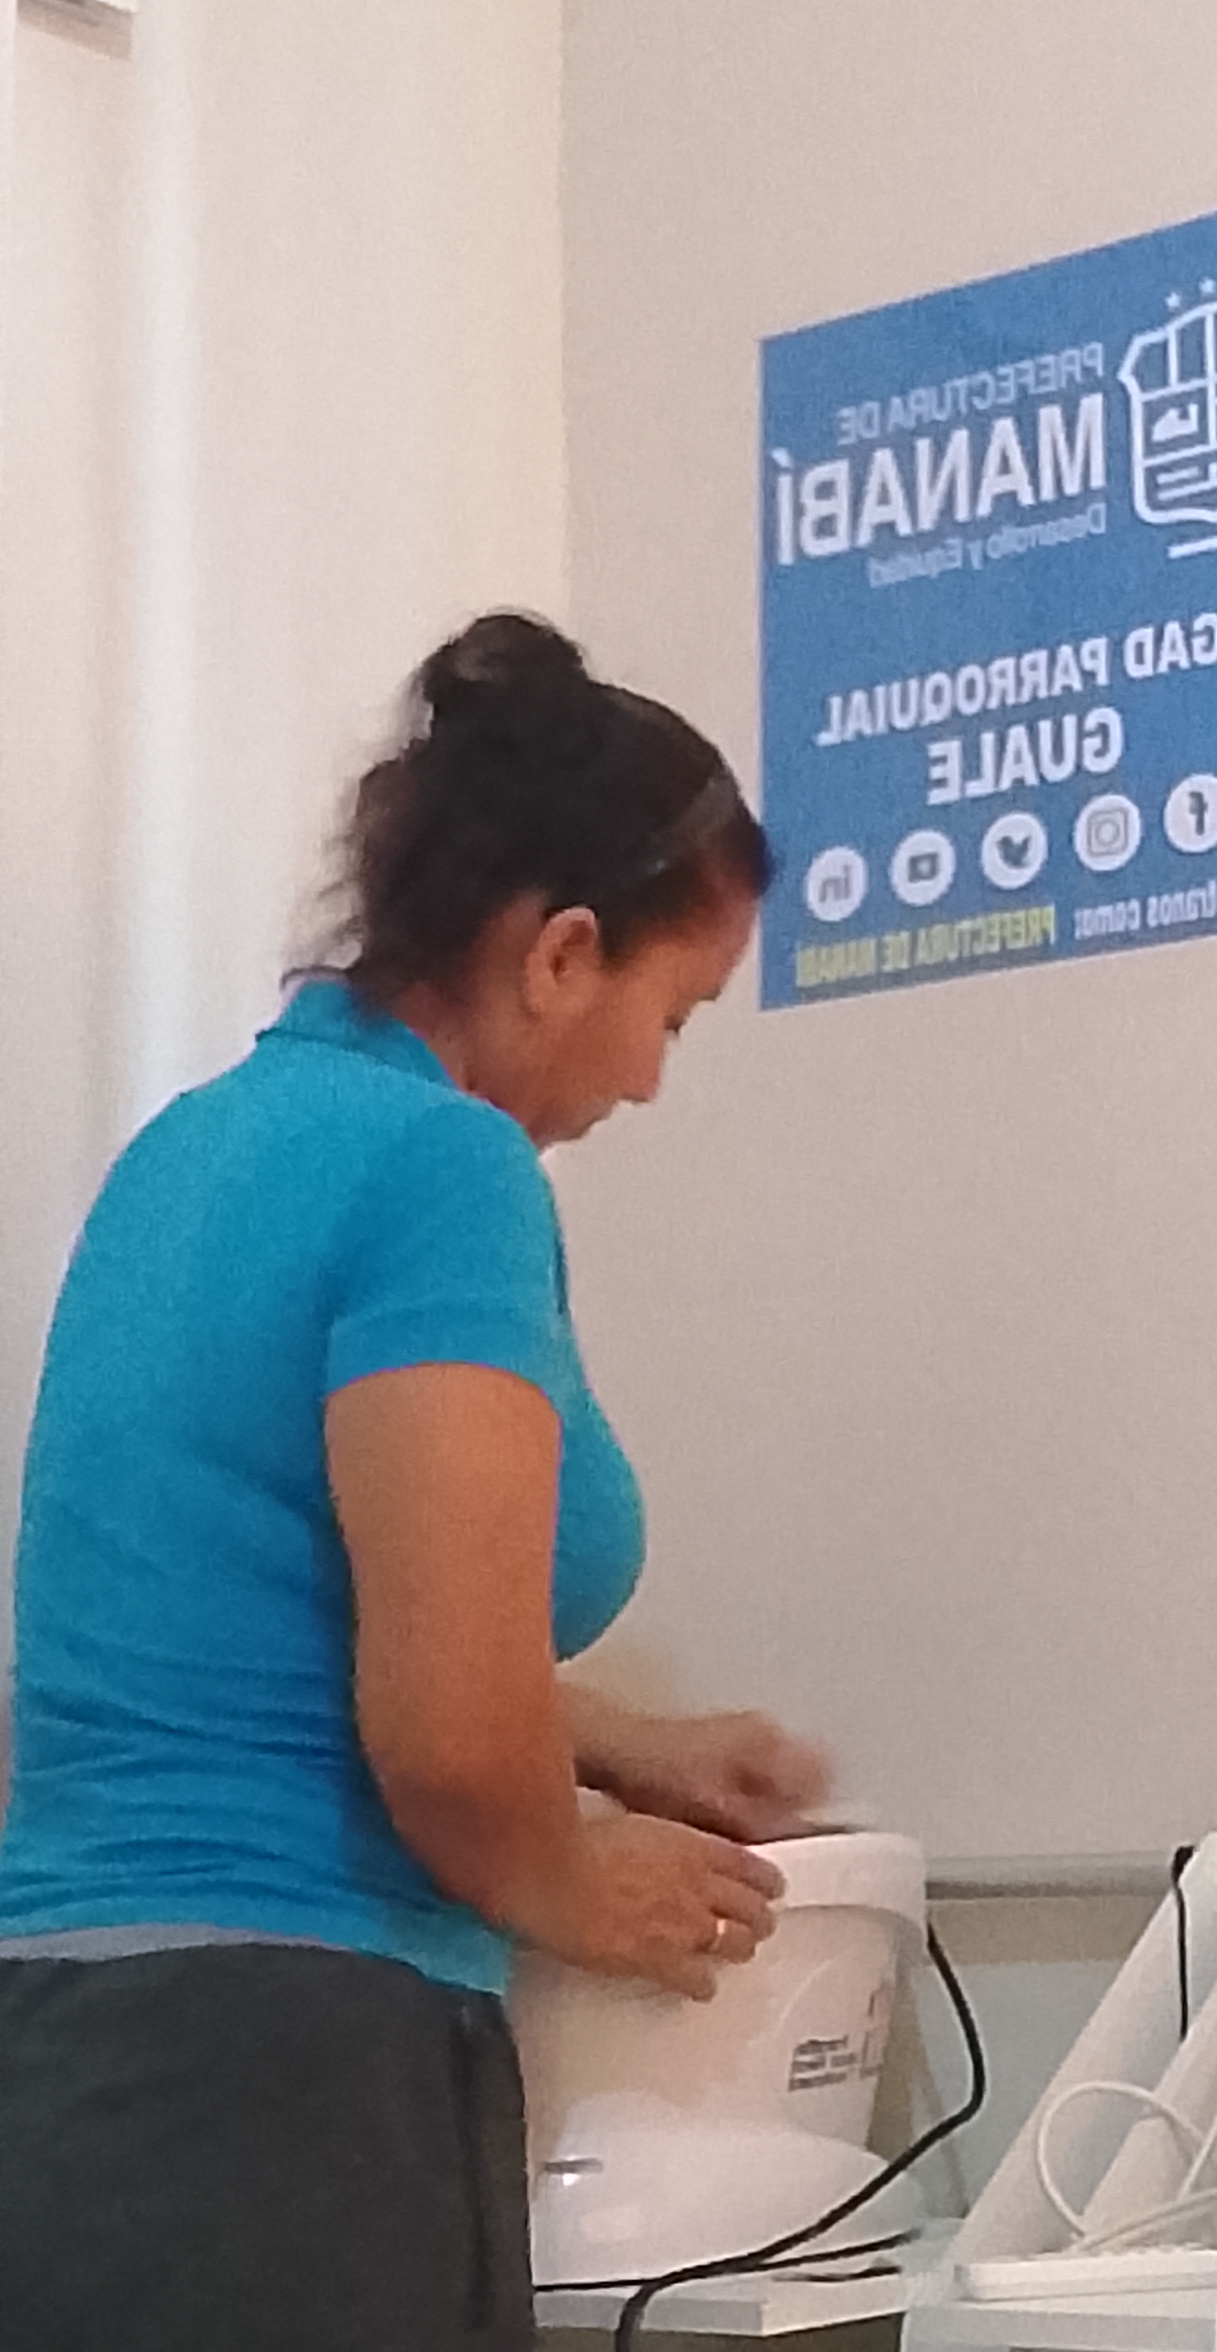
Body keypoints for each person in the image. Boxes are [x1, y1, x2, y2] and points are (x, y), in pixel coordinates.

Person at [0, 612, 826, 2350]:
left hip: (75, 2056)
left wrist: (618, 1742)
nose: (648, 1080)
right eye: (671, 1016)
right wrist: (573, 1880)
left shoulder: (190, 1149)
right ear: (563, 955)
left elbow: (255, 1598)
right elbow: (448, 1742)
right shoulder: (443, 1168)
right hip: (286, 2086)